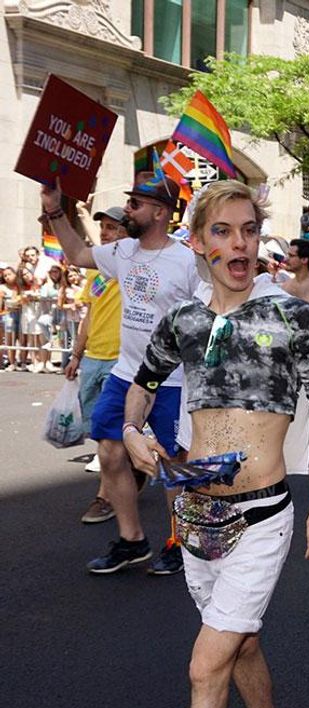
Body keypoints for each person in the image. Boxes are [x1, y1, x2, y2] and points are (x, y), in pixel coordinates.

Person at [118, 180, 309, 708]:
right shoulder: (184, 320)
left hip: (261, 516)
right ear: (198, 243)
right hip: (195, 515)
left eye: (249, 230)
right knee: (238, 641)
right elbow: (142, 383)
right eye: (223, 231)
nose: (239, 244)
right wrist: (133, 431)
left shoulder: (291, 315)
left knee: (205, 665)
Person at [41, 170, 197, 575]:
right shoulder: (122, 251)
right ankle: (132, 540)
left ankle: (179, 542)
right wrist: (55, 210)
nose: (127, 209)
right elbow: (78, 254)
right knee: (110, 453)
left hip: (171, 380)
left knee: (172, 463)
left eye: (135, 203)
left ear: (160, 212)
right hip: (126, 374)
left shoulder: (186, 261)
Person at [63, 204, 127, 521]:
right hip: (92, 359)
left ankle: (106, 496)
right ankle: (124, 471)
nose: (105, 233)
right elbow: (89, 316)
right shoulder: (95, 272)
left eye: (113, 227)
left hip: (121, 360)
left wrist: (81, 217)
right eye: (103, 227)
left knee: (110, 430)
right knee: (98, 428)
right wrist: (76, 354)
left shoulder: (131, 266)